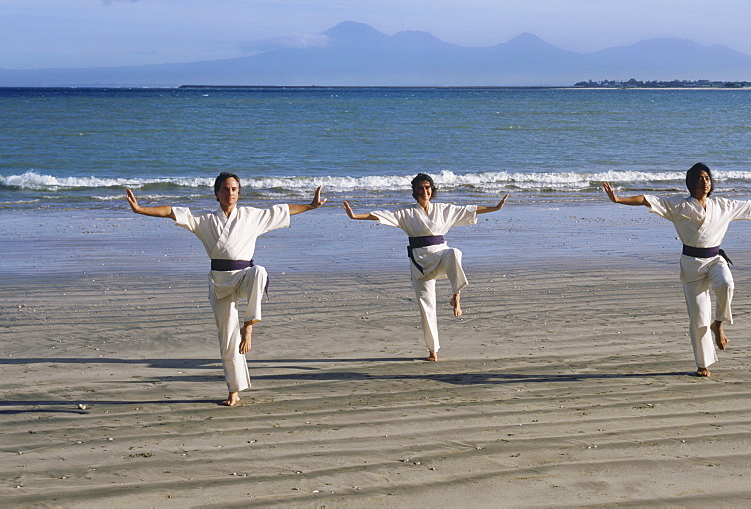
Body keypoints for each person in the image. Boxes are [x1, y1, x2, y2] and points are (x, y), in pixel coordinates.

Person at [126, 173, 325, 406]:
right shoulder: (205, 221)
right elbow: (172, 211)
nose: (229, 193)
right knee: (227, 339)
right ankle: (234, 390)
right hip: (219, 283)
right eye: (225, 189)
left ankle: (249, 325)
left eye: (233, 189)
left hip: (244, 277)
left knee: (260, 271)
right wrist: (140, 209)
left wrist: (311, 206)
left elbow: (282, 210)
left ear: (238, 193)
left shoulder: (253, 216)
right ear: (217, 194)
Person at [602, 163, 751, 377]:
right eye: (700, 178)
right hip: (691, 264)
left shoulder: (722, 205)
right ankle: (702, 364)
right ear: (691, 182)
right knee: (698, 319)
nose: (705, 181)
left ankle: (718, 325)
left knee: (726, 284)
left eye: (707, 177)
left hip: (716, 259)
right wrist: (618, 199)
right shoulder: (679, 205)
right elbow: (646, 199)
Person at [343, 173, 508, 362]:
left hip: (440, 257)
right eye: (421, 188)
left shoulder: (443, 209)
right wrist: (355, 216)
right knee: (426, 306)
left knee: (454, 252)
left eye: (428, 187)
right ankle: (433, 351)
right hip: (419, 263)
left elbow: (468, 210)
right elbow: (379, 215)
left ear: (432, 189)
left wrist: (495, 207)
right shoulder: (406, 213)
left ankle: (456, 296)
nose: (425, 191)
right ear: (415, 191)